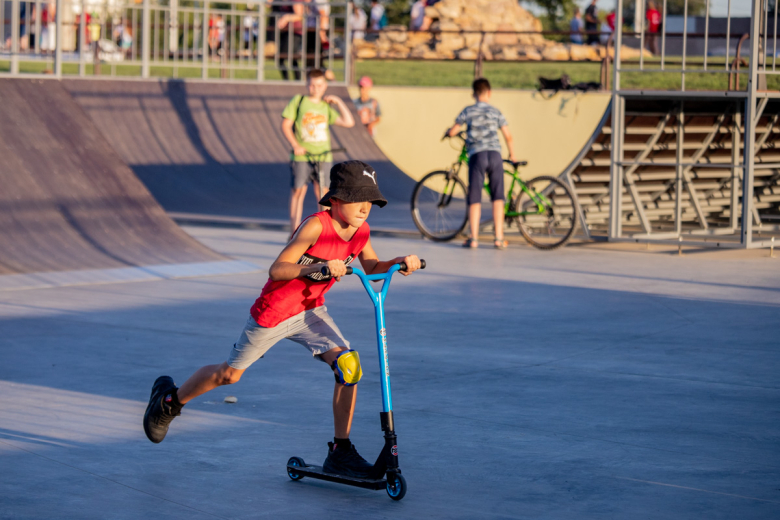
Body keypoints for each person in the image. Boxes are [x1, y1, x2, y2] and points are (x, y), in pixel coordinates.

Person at [143, 160, 423, 480]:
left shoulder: (361, 231)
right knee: (229, 376)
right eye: (357, 198)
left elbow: (372, 267)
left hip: (310, 311)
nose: (365, 207)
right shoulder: (316, 226)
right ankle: (169, 401)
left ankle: (340, 451)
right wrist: (317, 268)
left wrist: (400, 262)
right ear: (336, 199)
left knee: (349, 366)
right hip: (274, 312)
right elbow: (277, 269)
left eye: (370, 200)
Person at [281, 69, 355, 236]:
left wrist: (338, 101)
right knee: (298, 191)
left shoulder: (325, 107)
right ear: (307, 85)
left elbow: (349, 122)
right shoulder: (299, 101)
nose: (316, 88)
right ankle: (294, 233)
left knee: (323, 193)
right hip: (302, 156)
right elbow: (286, 125)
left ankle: (324, 232)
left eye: (320, 85)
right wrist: (295, 145)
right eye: (313, 85)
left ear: (325, 86)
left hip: (323, 156)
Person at [446, 78, 516, 250]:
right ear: (489, 93)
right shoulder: (495, 111)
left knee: (475, 198)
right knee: (498, 197)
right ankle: (499, 238)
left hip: (477, 155)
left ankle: (474, 239)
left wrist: (449, 132)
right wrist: (512, 154)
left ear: (473, 94)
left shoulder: (468, 110)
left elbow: (454, 130)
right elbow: (508, 135)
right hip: (495, 155)